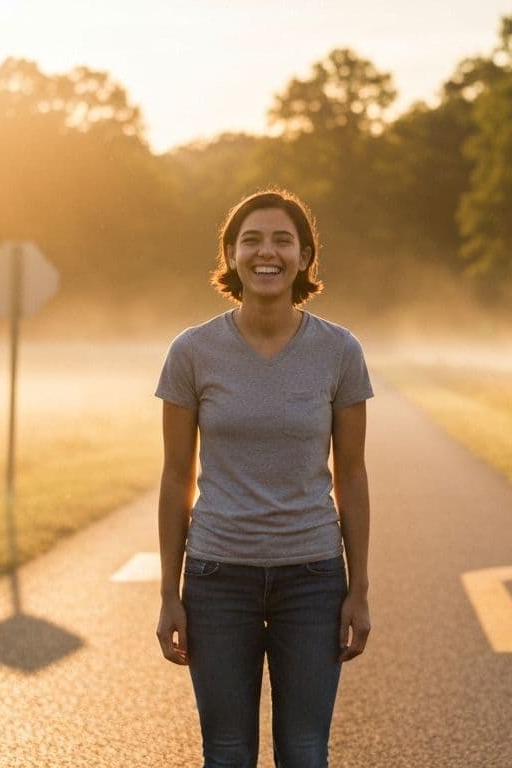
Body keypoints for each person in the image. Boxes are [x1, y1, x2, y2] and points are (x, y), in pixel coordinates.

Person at [154, 188, 372, 768]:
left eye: (282, 240)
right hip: (218, 577)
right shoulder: (192, 352)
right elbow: (177, 477)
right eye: (250, 239)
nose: (266, 252)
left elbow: (352, 474)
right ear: (230, 254)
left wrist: (359, 588)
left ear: (304, 256)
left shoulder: (340, 351)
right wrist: (169, 593)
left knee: (304, 753)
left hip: (313, 578)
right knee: (226, 754)